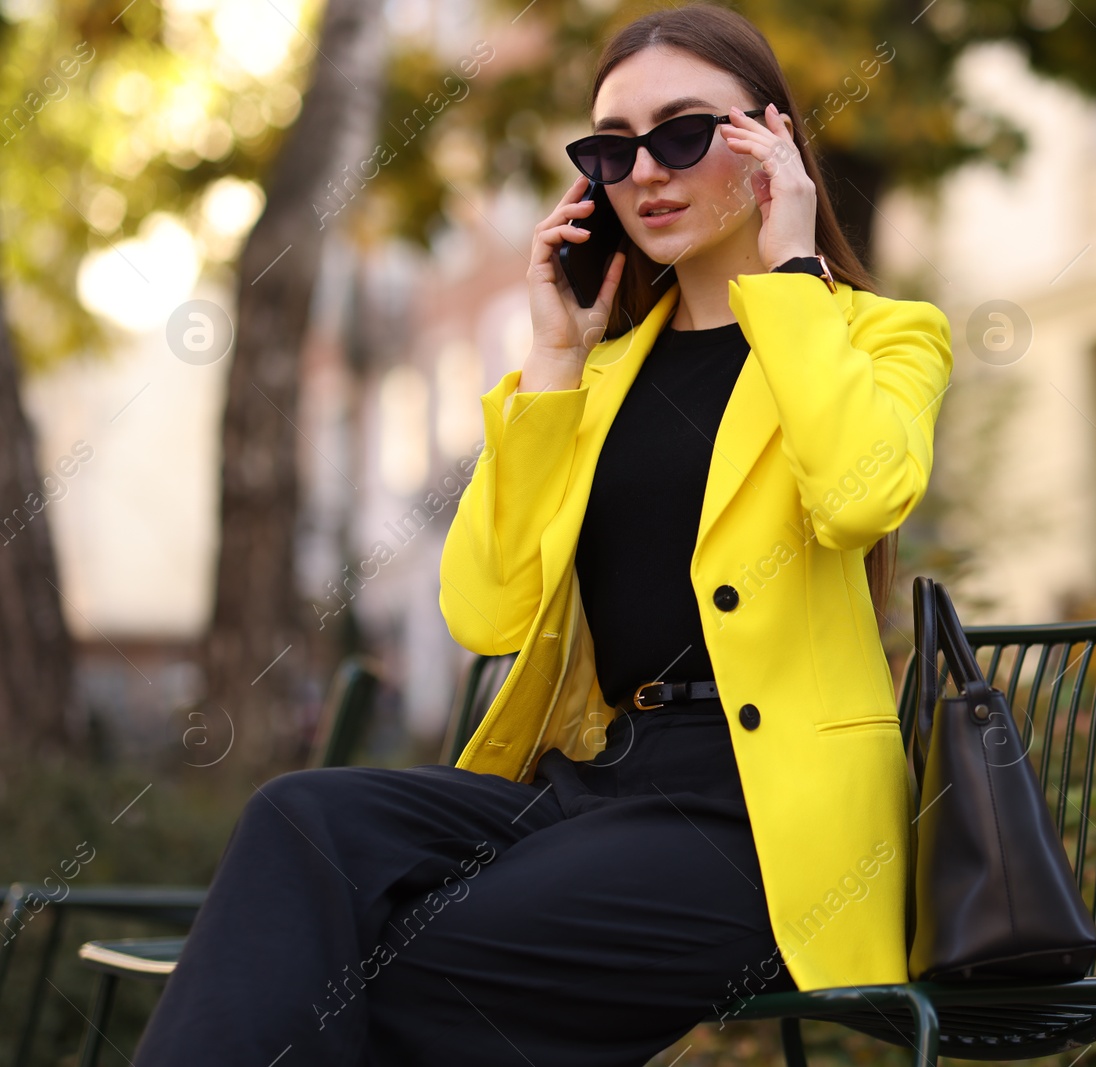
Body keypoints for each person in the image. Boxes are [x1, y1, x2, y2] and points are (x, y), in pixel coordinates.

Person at [133, 3, 953, 1064]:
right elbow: (488, 609)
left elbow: (856, 496)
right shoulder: (595, 373)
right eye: (612, 147)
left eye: (684, 133)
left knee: (401, 963)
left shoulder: (878, 335)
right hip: (600, 782)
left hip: (761, 823)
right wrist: (554, 360)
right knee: (301, 818)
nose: (645, 171)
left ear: (773, 141)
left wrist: (790, 274)